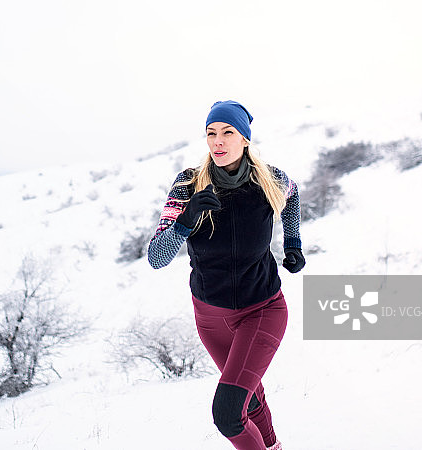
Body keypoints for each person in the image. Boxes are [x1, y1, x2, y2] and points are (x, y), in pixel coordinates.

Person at [147, 100, 305, 450]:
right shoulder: (188, 185)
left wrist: (292, 242)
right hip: (210, 318)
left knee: (228, 414)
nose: (217, 141)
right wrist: (184, 223)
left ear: (245, 139)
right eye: (211, 133)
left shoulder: (269, 180)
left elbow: (292, 196)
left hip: (262, 309)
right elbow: (156, 257)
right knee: (249, 399)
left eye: (227, 132)